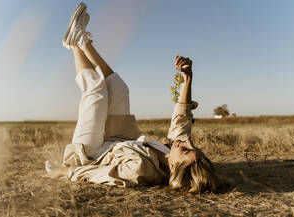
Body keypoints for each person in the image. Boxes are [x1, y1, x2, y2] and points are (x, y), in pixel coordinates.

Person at [44, 2, 223, 193]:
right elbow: (182, 121)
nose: (188, 142)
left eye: (186, 150)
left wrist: (66, 171)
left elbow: (101, 174)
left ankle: (74, 46)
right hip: (117, 138)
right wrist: (188, 78)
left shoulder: (140, 171)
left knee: (96, 90)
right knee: (121, 89)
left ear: (174, 168)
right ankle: (82, 41)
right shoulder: (170, 153)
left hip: (91, 152)